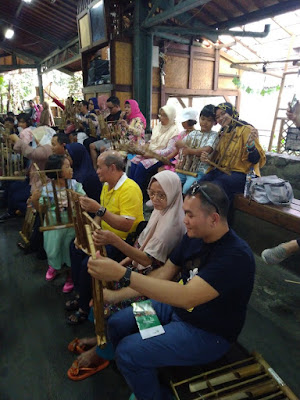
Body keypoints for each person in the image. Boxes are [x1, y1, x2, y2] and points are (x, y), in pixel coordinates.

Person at [87, 181, 256, 400]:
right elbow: (165, 273)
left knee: (128, 351)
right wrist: (115, 296)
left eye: (190, 215)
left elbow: (187, 297)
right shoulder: (193, 237)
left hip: (207, 333)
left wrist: (123, 275)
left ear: (214, 218)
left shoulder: (235, 256)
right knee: (118, 323)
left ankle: (151, 389)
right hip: (176, 309)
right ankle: (139, 372)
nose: (184, 220)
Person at [67, 170, 186, 380]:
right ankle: (103, 340)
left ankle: (106, 353)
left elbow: (148, 260)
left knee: (113, 305)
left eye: (162, 195)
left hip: (154, 278)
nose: (156, 199)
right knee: (100, 288)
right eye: (153, 193)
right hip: (142, 270)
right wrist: (120, 266)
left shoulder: (174, 225)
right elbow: (141, 246)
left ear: (175, 195)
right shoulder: (160, 212)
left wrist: (114, 242)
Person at [67, 150, 144, 324]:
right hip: (105, 236)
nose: (97, 171)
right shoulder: (107, 185)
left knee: (90, 263)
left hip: (122, 242)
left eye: (100, 167)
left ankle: (84, 308)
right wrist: (90, 232)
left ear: (112, 167)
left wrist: (98, 210)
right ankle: (82, 295)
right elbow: (100, 217)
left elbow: (126, 225)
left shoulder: (130, 189)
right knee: (75, 247)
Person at [31, 155, 85, 292]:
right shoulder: (47, 189)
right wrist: (36, 200)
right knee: (53, 249)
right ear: (56, 171)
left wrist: (79, 198)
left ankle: (69, 276)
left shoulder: (75, 185)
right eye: (67, 167)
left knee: (69, 251)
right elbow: (41, 209)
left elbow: (84, 202)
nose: (71, 169)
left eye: (70, 166)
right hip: (53, 225)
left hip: (71, 225)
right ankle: (53, 266)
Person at [199, 102, 266, 202]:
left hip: (242, 174)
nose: (221, 118)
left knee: (216, 187)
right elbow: (218, 158)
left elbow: (255, 159)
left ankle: (222, 216)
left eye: (223, 114)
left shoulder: (246, 129)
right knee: (199, 184)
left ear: (231, 113)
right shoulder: (223, 132)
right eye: (217, 117)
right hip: (222, 171)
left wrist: (250, 145)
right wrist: (207, 159)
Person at [130, 104, 178, 195]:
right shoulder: (158, 127)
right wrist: (146, 147)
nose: (161, 118)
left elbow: (169, 151)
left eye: (164, 115)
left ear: (171, 116)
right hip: (151, 153)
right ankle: (131, 189)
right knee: (134, 161)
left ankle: (138, 194)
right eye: (160, 115)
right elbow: (152, 141)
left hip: (163, 157)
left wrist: (152, 153)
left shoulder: (174, 130)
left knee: (141, 165)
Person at [175, 105, 218, 193]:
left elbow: (206, 149)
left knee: (187, 189)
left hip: (199, 171)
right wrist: (185, 146)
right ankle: (174, 205)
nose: (205, 122)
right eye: (202, 119)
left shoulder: (214, 135)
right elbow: (178, 143)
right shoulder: (193, 133)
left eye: (209, 120)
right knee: (173, 184)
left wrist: (189, 150)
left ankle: (185, 205)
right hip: (185, 168)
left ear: (215, 122)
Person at [89, 96, 123, 169]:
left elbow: (120, 132)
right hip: (108, 138)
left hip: (117, 140)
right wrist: (99, 116)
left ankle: (104, 169)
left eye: (111, 108)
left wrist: (110, 134)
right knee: (91, 145)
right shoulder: (110, 115)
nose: (109, 110)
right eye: (108, 108)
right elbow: (102, 125)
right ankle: (96, 168)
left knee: (102, 148)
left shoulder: (121, 116)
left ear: (117, 106)